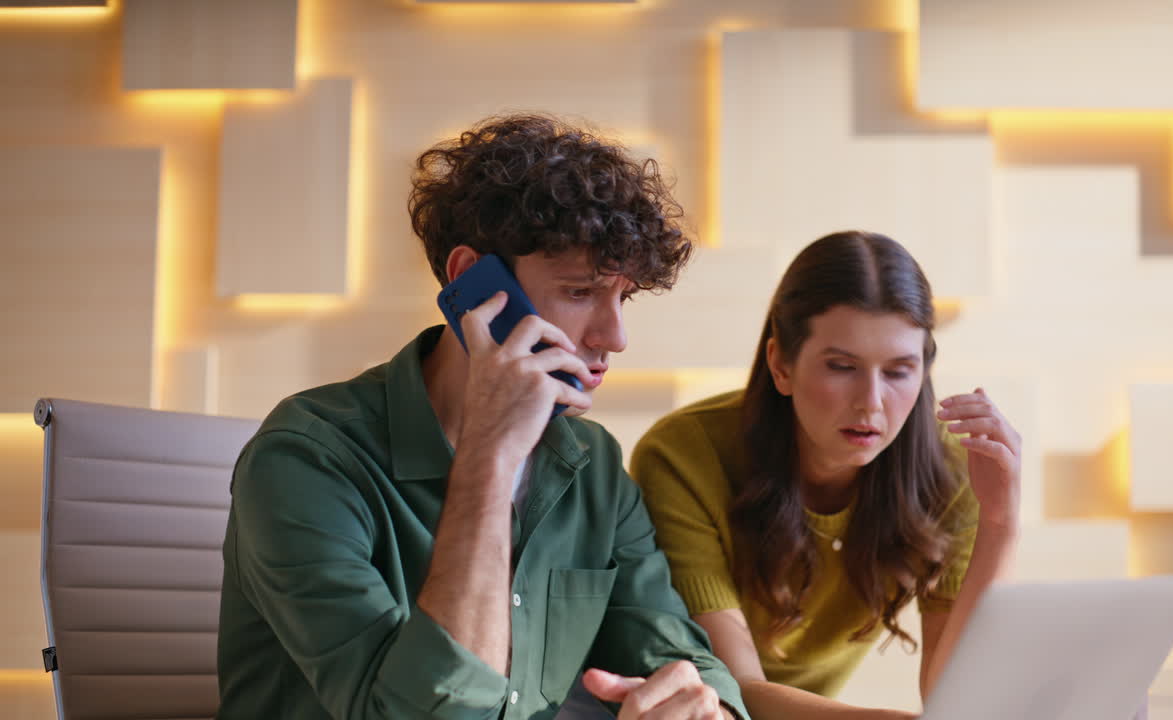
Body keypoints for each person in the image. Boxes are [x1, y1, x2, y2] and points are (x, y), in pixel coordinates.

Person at [216, 114, 748, 720]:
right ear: (473, 282)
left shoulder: (592, 464)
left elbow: (681, 656)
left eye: (621, 298)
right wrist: (490, 459)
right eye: (580, 293)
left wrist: (705, 710)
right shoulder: (305, 458)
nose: (615, 337)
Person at [630, 231, 1023, 720]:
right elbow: (735, 689)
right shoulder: (682, 457)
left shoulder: (951, 471)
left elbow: (956, 699)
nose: (872, 402)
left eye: (900, 371)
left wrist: (1001, 521)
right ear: (781, 364)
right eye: (842, 367)